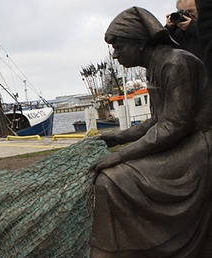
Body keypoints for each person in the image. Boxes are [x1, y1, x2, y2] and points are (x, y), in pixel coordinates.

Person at [89, 6, 212, 257]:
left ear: (140, 44)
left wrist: (121, 155)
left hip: (199, 148)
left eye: (119, 47)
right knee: (110, 177)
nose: (114, 55)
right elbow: (157, 120)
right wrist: (114, 138)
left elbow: (174, 126)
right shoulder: (156, 65)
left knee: (111, 180)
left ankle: (119, 249)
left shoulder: (175, 62)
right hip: (182, 142)